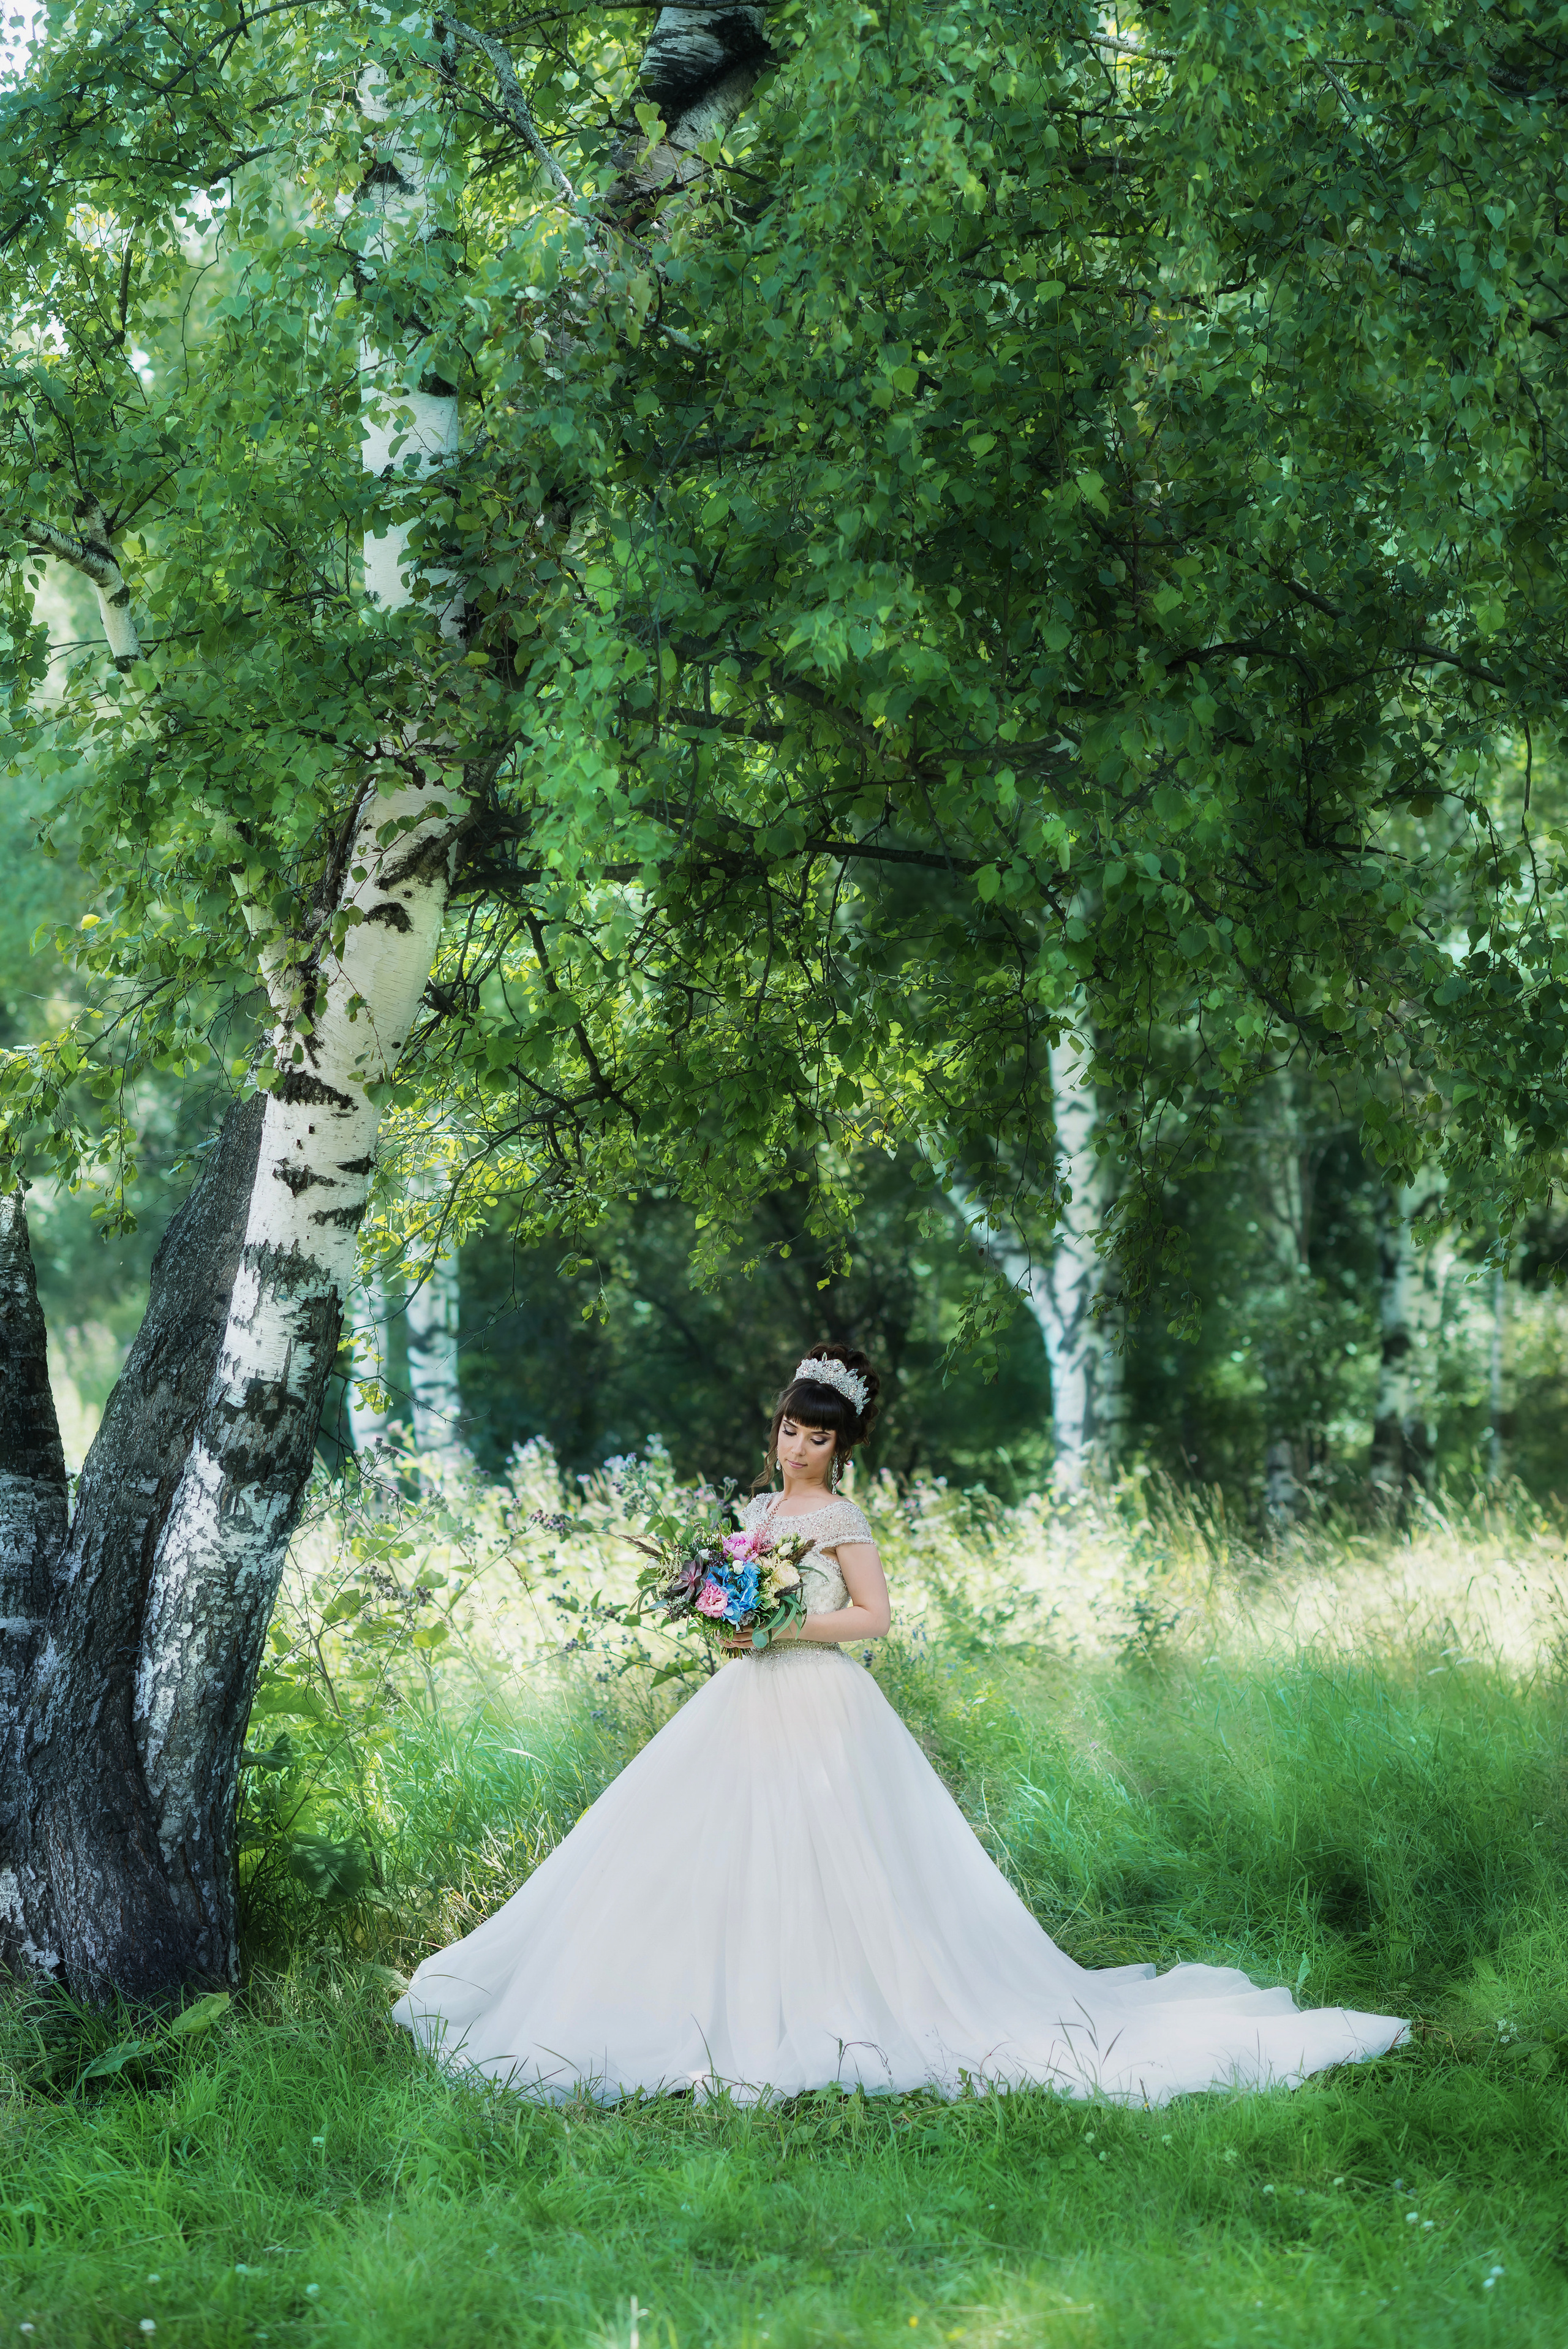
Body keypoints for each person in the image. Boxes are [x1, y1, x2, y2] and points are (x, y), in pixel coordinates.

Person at [392, 1343, 1407, 2103]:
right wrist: (727, 1610)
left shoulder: (841, 1521)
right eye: (790, 1428)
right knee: (706, 1847)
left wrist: (785, 1626)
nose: (798, 1448)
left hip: (823, 1699)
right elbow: (736, 1611)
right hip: (745, 1702)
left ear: (845, 1446)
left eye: (818, 1435)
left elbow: (874, 1617)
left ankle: (840, 2010)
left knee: (838, 1859)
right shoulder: (755, 1510)